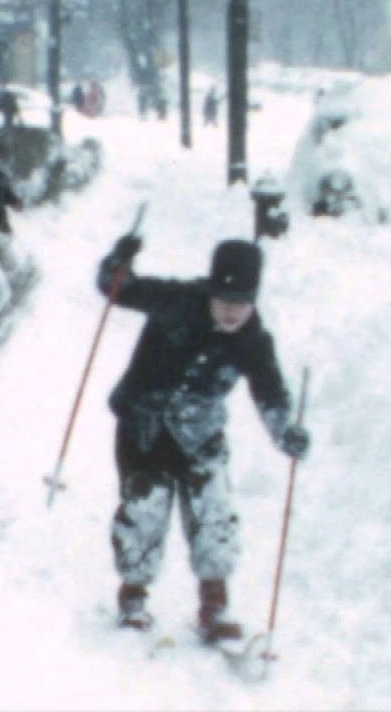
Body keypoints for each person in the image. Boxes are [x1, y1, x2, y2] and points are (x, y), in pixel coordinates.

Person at [96, 235, 311, 641]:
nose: (232, 311)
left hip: (200, 431)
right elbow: (118, 290)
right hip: (144, 426)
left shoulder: (254, 340)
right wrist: (118, 263)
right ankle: (134, 597)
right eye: (224, 300)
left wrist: (286, 432)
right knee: (147, 507)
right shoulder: (177, 301)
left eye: (242, 302)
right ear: (210, 291)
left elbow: (271, 392)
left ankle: (214, 606)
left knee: (214, 510)